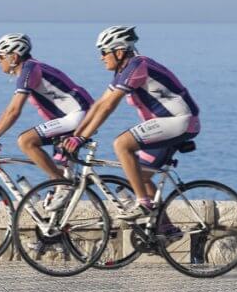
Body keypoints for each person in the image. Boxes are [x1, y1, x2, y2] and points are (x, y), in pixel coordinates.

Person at [64, 26, 199, 234]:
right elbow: (100, 104)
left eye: (103, 52)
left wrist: (82, 137)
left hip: (179, 120)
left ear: (119, 51)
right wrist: (76, 135)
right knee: (141, 178)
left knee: (122, 144)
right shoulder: (124, 71)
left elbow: (110, 106)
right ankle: (165, 229)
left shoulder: (137, 65)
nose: (101, 58)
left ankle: (144, 203)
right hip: (169, 123)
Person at [0, 33, 93, 181]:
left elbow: (13, 111)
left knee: (26, 141)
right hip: (79, 114)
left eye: (1, 56)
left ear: (14, 56)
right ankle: (63, 184)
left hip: (79, 115)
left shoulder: (28, 71)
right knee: (56, 169)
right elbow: (9, 110)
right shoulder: (32, 67)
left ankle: (64, 184)